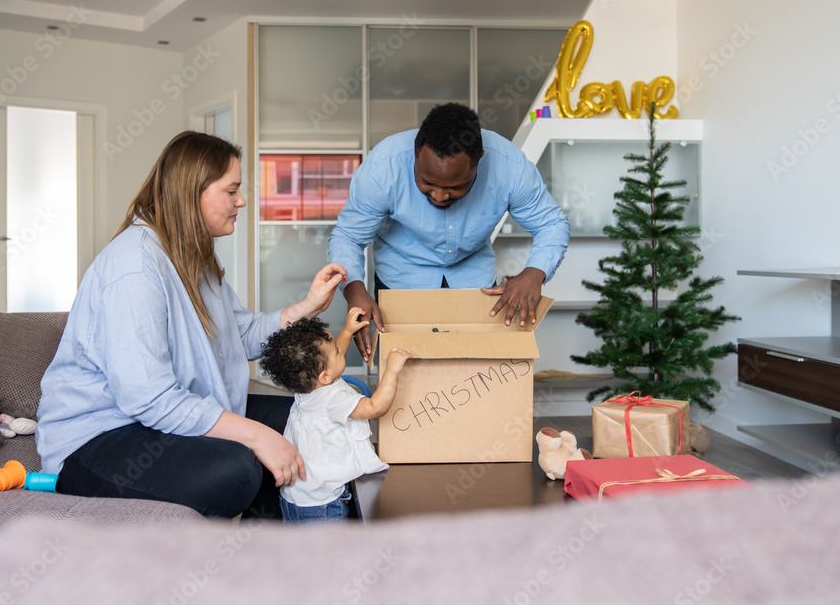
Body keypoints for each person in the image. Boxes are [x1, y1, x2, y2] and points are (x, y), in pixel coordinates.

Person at [36, 131, 348, 519]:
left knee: (318, 418)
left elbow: (241, 336)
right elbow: (149, 399)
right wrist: (257, 435)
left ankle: (296, 542)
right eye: (231, 190)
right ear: (192, 193)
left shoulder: (193, 257)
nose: (241, 201)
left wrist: (308, 305)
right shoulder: (135, 266)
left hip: (163, 417)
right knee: (238, 470)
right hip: (101, 437)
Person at [329, 102, 570, 361]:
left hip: (474, 281)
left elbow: (551, 223)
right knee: (402, 376)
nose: (440, 195)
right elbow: (348, 236)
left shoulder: (509, 166)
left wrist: (534, 273)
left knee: (474, 372)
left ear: (479, 160)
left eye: (456, 187)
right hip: (400, 279)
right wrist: (354, 289)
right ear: (415, 151)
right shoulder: (383, 167)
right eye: (427, 182)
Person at [259, 307, 412, 523]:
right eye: (338, 352)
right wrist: (392, 370)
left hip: (295, 498)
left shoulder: (308, 387)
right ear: (325, 376)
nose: (341, 349)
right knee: (331, 546)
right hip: (323, 506)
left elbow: (331, 359)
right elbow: (375, 407)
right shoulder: (333, 399)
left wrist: (348, 331)